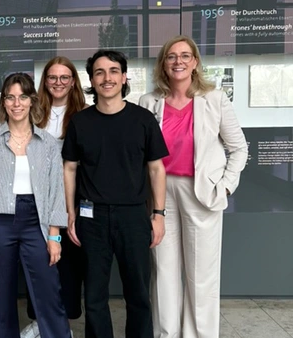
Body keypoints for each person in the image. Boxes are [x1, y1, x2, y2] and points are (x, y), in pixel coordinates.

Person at [139, 35, 248, 338]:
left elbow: (239, 148)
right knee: (164, 272)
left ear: (195, 62)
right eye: (171, 56)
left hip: (202, 193)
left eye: (185, 56)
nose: (178, 61)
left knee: (201, 276)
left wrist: (225, 187)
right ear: (163, 63)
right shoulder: (149, 102)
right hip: (161, 194)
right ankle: (166, 334)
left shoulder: (214, 99)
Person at [62, 50, 168, 338]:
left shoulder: (143, 120)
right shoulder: (80, 123)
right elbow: (69, 169)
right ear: (91, 80)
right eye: (99, 72)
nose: (106, 78)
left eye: (112, 71)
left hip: (133, 216)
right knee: (94, 296)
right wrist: (70, 214)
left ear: (123, 77)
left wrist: (158, 215)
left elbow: (157, 170)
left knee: (138, 294)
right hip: (91, 217)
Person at [0, 73, 71, 338]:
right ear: (3, 102)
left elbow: (56, 194)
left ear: (32, 101)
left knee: (49, 290)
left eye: (23, 97)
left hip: (36, 221)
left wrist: (54, 237)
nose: (17, 103)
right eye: (10, 97)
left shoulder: (47, 144)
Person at [20, 56, 88, 338]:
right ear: (44, 82)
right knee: (39, 262)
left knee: (69, 265)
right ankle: (40, 321)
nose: (58, 82)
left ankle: (64, 325)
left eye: (64, 77)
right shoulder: (32, 114)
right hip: (36, 197)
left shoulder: (85, 114)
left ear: (73, 81)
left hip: (72, 197)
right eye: (52, 77)